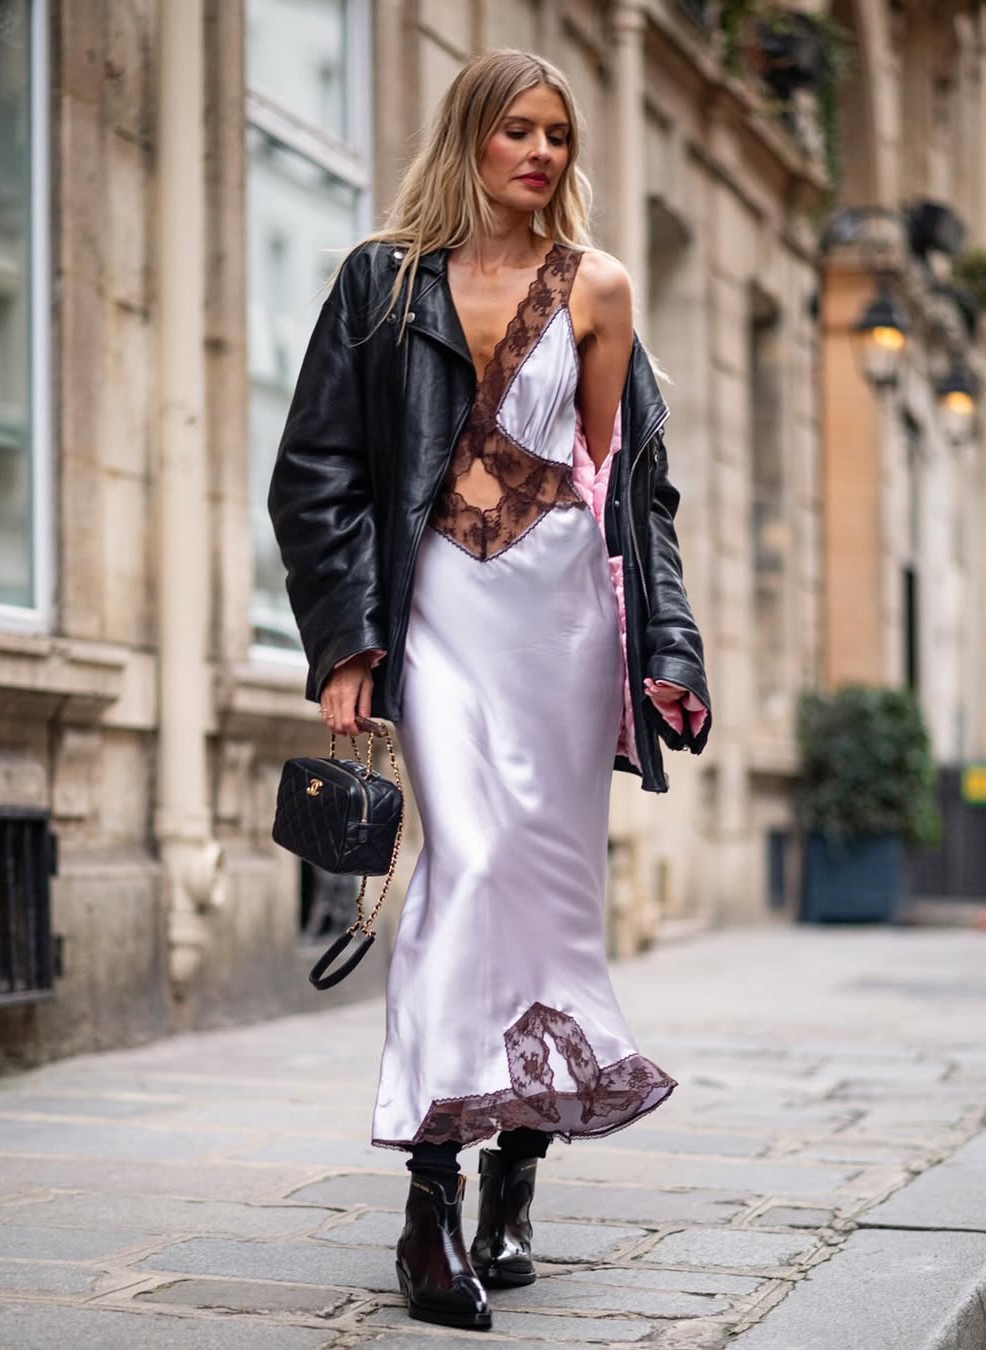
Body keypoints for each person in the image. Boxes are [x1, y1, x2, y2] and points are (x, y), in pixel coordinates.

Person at [269, 48, 712, 1333]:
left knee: (548, 900)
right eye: (514, 128)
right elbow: (318, 475)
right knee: (464, 868)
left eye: (558, 135)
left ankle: (518, 1172)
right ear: (468, 136)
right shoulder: (382, 282)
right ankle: (428, 1197)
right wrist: (347, 644)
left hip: (565, 629)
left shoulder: (603, 289)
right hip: (439, 617)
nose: (538, 152)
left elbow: (636, 496)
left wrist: (667, 655)